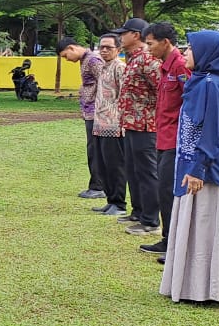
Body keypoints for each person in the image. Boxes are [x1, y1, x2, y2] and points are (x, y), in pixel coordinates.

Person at [160, 30, 219, 304]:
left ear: (209, 54)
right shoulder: (200, 81)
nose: (185, 53)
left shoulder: (212, 84)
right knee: (197, 225)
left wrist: (199, 168)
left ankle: (207, 290)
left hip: (211, 171)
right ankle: (191, 287)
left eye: (190, 48)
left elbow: (213, 130)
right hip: (195, 163)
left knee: (208, 224)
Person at [141, 23, 191, 261]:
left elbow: (190, 103)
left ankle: (175, 245)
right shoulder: (165, 67)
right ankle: (167, 239)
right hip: (163, 137)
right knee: (164, 191)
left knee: (170, 193)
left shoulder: (181, 66)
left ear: (165, 42)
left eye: (150, 43)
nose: (147, 48)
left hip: (176, 141)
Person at [111, 17, 162, 238]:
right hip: (131, 123)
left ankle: (151, 220)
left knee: (147, 172)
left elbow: (162, 90)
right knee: (132, 169)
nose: (120, 37)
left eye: (124, 33)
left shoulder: (149, 59)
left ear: (136, 35)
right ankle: (138, 212)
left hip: (146, 125)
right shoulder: (133, 59)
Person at [58, 37, 105, 200]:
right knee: (93, 149)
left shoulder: (93, 60)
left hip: (97, 112)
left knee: (95, 150)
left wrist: (101, 108)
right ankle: (97, 185)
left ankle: (98, 186)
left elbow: (105, 83)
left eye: (65, 56)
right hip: (90, 111)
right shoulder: (85, 60)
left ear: (71, 48)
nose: (67, 60)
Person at [90, 35, 129, 218]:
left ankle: (119, 203)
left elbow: (124, 96)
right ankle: (111, 200)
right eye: (101, 47)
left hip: (114, 126)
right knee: (104, 165)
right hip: (100, 124)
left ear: (118, 49)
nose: (104, 50)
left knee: (115, 166)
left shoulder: (120, 68)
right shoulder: (103, 68)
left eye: (108, 47)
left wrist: (121, 121)